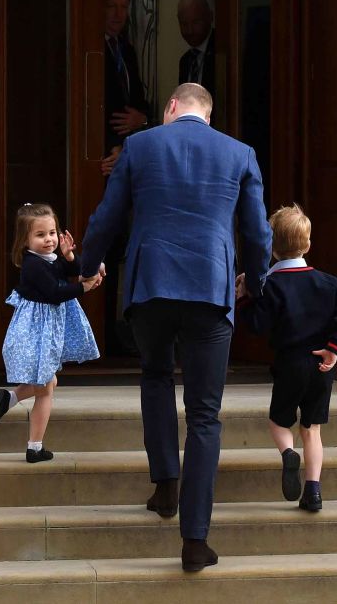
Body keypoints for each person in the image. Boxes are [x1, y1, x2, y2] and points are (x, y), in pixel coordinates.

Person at [79, 83, 271, 572]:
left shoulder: (140, 145)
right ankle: (194, 539)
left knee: (156, 377)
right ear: (208, 113)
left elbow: (108, 215)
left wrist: (87, 264)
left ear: (170, 108)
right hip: (210, 286)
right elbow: (256, 230)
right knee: (205, 414)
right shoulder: (240, 153)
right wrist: (257, 281)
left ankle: (165, 485)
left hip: (151, 286)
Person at [236, 204, 337, 512]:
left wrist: (245, 298)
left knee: (279, 421)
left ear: (271, 249)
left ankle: (288, 453)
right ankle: (313, 491)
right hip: (321, 364)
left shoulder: (271, 286)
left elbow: (258, 324)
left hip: (289, 364)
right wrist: (334, 347)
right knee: (312, 428)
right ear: (308, 244)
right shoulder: (327, 283)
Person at [0, 203, 101, 462]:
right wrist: (85, 288)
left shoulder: (51, 257)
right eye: (40, 235)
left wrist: (70, 256)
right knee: (46, 387)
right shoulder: (33, 266)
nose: (48, 240)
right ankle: (34, 447)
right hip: (38, 331)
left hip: (47, 328)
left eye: (52, 232)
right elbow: (55, 293)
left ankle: (10, 399)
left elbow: (74, 270)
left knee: (49, 383)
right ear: (25, 241)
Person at [102, 0, 150, 176]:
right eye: (111, 6)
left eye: (123, 6)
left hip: (128, 152)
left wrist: (143, 119)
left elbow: (138, 101)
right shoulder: (88, 51)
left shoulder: (126, 49)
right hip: (102, 157)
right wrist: (113, 146)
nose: (118, 14)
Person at [176, 0, 216, 97]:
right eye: (184, 24)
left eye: (196, 22)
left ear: (210, 17)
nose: (190, 30)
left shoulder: (221, 53)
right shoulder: (185, 61)